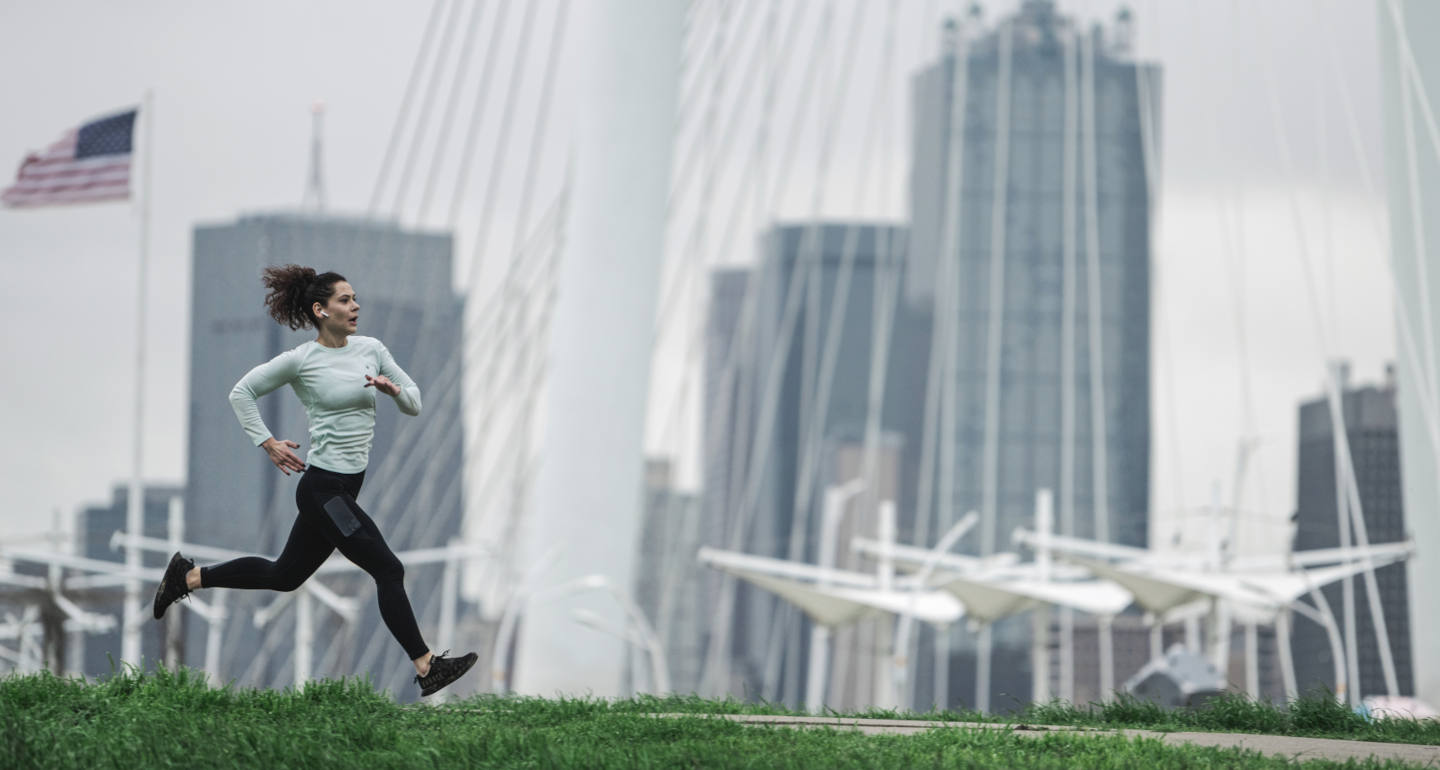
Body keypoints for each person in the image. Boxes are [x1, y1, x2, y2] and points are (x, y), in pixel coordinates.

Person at [151, 264, 477, 697]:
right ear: (321, 310)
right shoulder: (301, 361)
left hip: (345, 489)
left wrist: (392, 390)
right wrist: (267, 443)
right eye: (345, 300)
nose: (355, 305)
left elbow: (415, 402)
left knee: (285, 575)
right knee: (388, 568)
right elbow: (240, 393)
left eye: (355, 298)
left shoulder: (372, 349)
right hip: (323, 489)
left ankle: (188, 577)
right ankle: (426, 666)